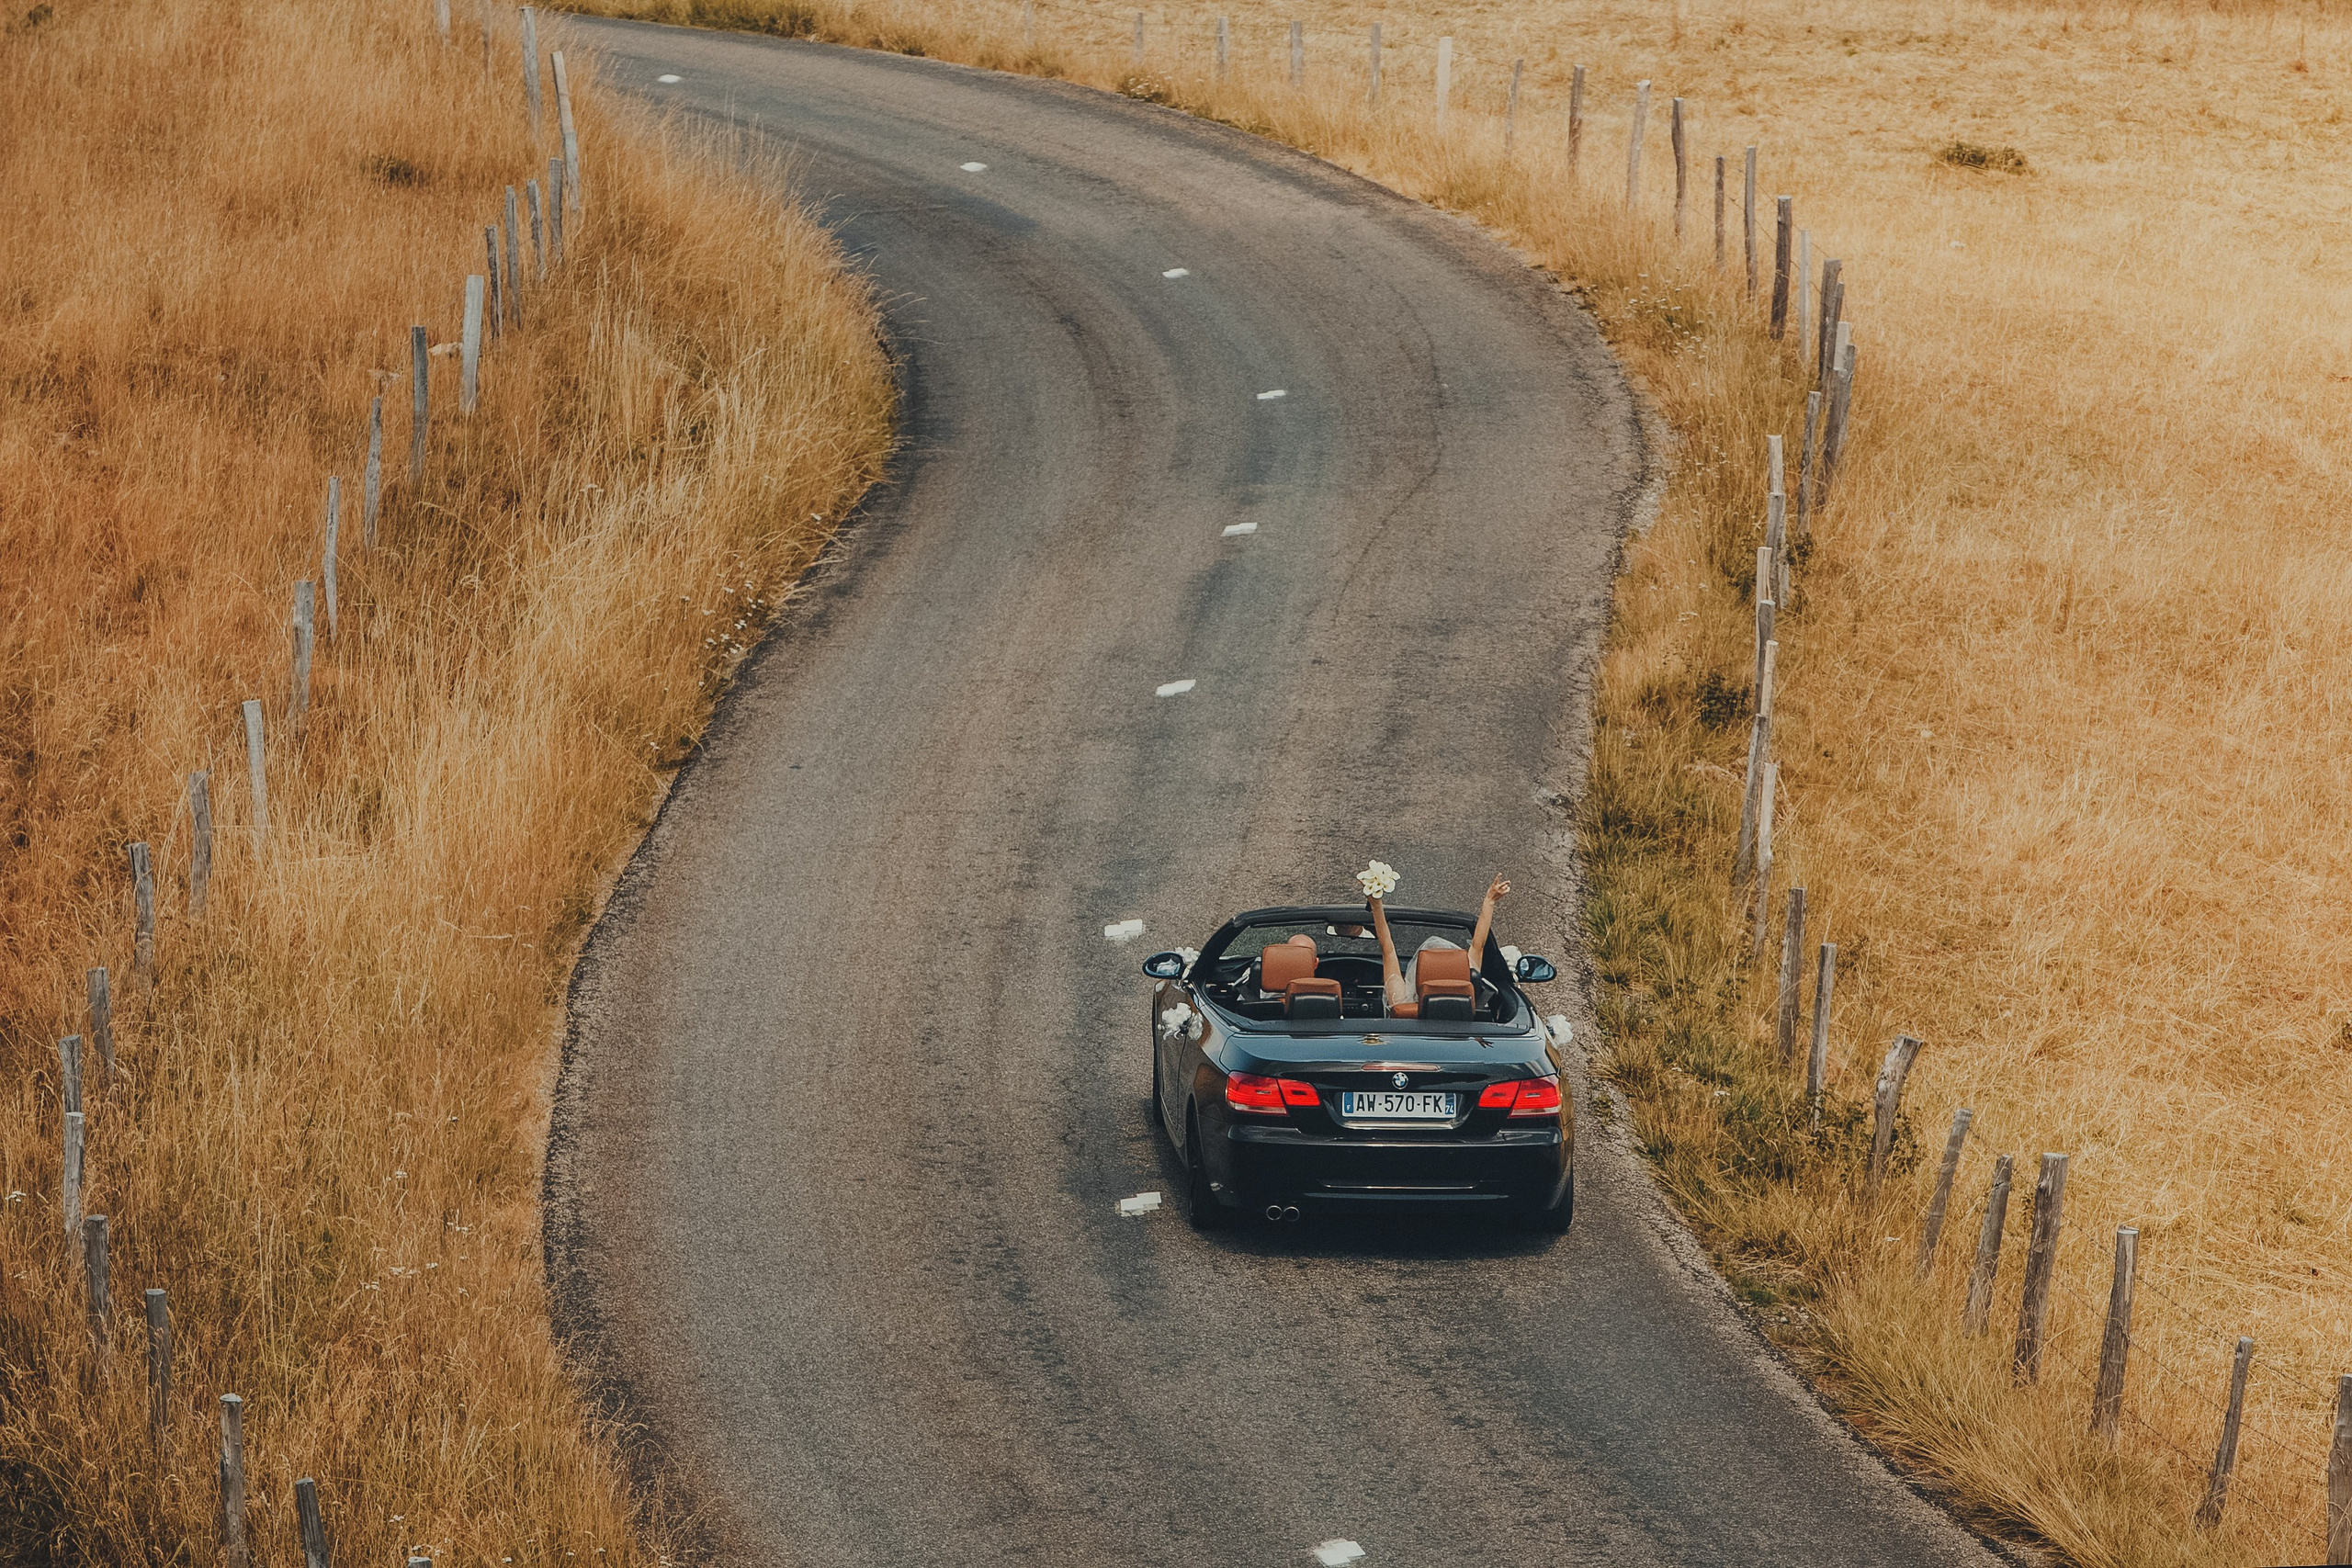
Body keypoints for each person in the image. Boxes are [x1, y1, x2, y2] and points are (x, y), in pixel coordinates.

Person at [1365, 874, 1510, 1017]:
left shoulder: (1402, 1005)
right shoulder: (1471, 1001)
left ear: (1418, 975)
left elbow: (1387, 949)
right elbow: (1478, 945)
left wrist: (1376, 905)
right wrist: (1489, 901)